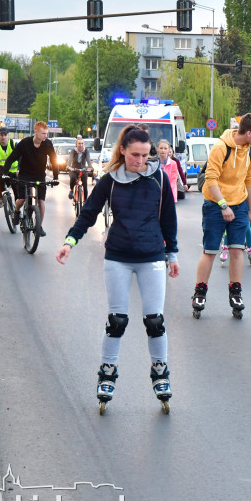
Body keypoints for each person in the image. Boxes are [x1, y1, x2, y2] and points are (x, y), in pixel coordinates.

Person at [55, 126, 179, 412]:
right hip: (118, 257)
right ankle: (107, 372)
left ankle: (160, 371)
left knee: (155, 321)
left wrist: (172, 255)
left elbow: (169, 220)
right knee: (117, 321)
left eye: (146, 155)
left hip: (152, 258)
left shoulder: (158, 176)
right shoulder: (111, 180)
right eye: (135, 155)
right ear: (122, 150)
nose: (141, 161)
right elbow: (88, 212)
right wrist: (70, 241)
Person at [192, 114, 251, 319]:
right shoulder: (221, 148)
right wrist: (223, 204)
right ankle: (200, 292)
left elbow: (249, 179)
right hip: (215, 204)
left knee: (236, 250)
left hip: (239, 204)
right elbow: (211, 177)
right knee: (211, 251)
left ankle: (236, 293)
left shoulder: (250, 150)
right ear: (248, 132)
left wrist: (250, 209)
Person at [3, 121, 59, 237]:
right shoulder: (25, 143)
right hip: (25, 174)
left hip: (39, 175)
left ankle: (39, 226)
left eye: (46, 133)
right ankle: (17, 212)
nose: (45, 136)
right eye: (43, 133)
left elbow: (54, 160)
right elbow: (12, 157)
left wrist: (55, 177)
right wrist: (5, 173)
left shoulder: (47, 144)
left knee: (41, 201)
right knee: (22, 199)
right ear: (36, 132)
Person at [67, 136, 93, 201]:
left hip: (83, 169)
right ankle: (71, 190)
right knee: (73, 177)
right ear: (76, 144)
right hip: (74, 169)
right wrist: (69, 167)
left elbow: (88, 159)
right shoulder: (73, 151)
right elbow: (70, 160)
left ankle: (85, 202)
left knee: (85, 186)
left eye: (82, 143)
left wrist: (90, 167)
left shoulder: (86, 151)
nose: (81, 145)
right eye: (79, 143)